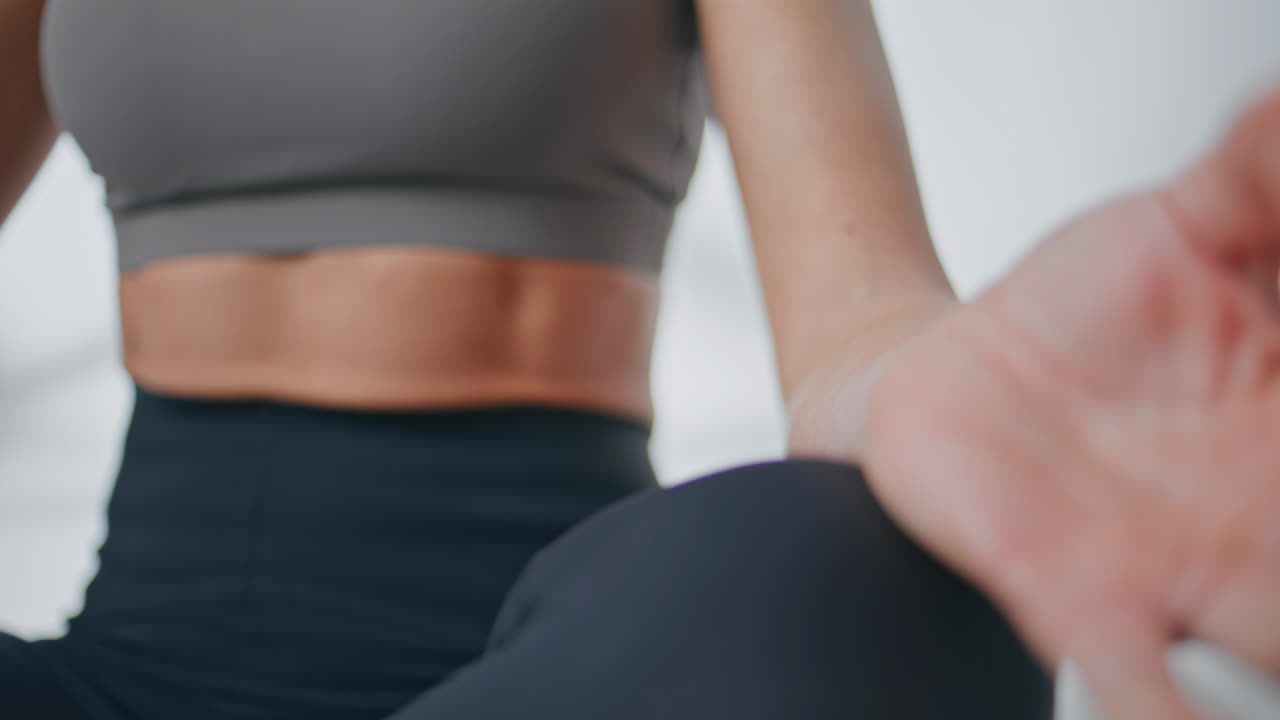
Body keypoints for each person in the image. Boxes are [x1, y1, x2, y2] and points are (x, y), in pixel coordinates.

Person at [0, 2, 1274, 720]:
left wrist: (995, 407)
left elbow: (855, 317)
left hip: (564, 674)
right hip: (123, 673)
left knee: (890, 575)